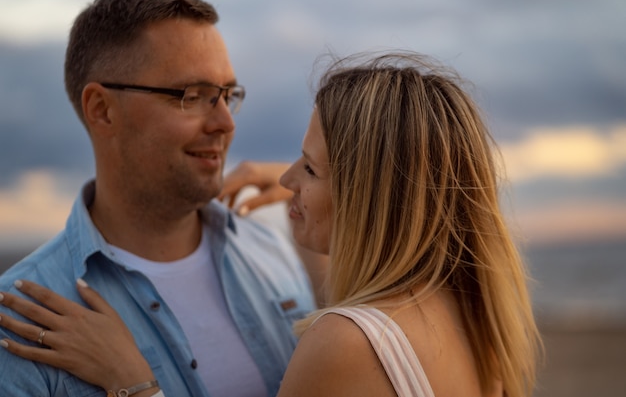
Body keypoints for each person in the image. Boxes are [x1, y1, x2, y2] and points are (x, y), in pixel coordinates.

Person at [0, 51, 543, 397]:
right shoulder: (469, 313)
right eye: (191, 96)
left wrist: (132, 381)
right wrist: (311, 184)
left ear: (367, 197)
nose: (284, 180)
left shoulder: (344, 344)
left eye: (307, 167)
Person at [0, 0, 317, 397]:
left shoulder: (269, 251)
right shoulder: (24, 321)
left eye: (227, 95)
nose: (225, 122)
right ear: (102, 110)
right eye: (192, 95)